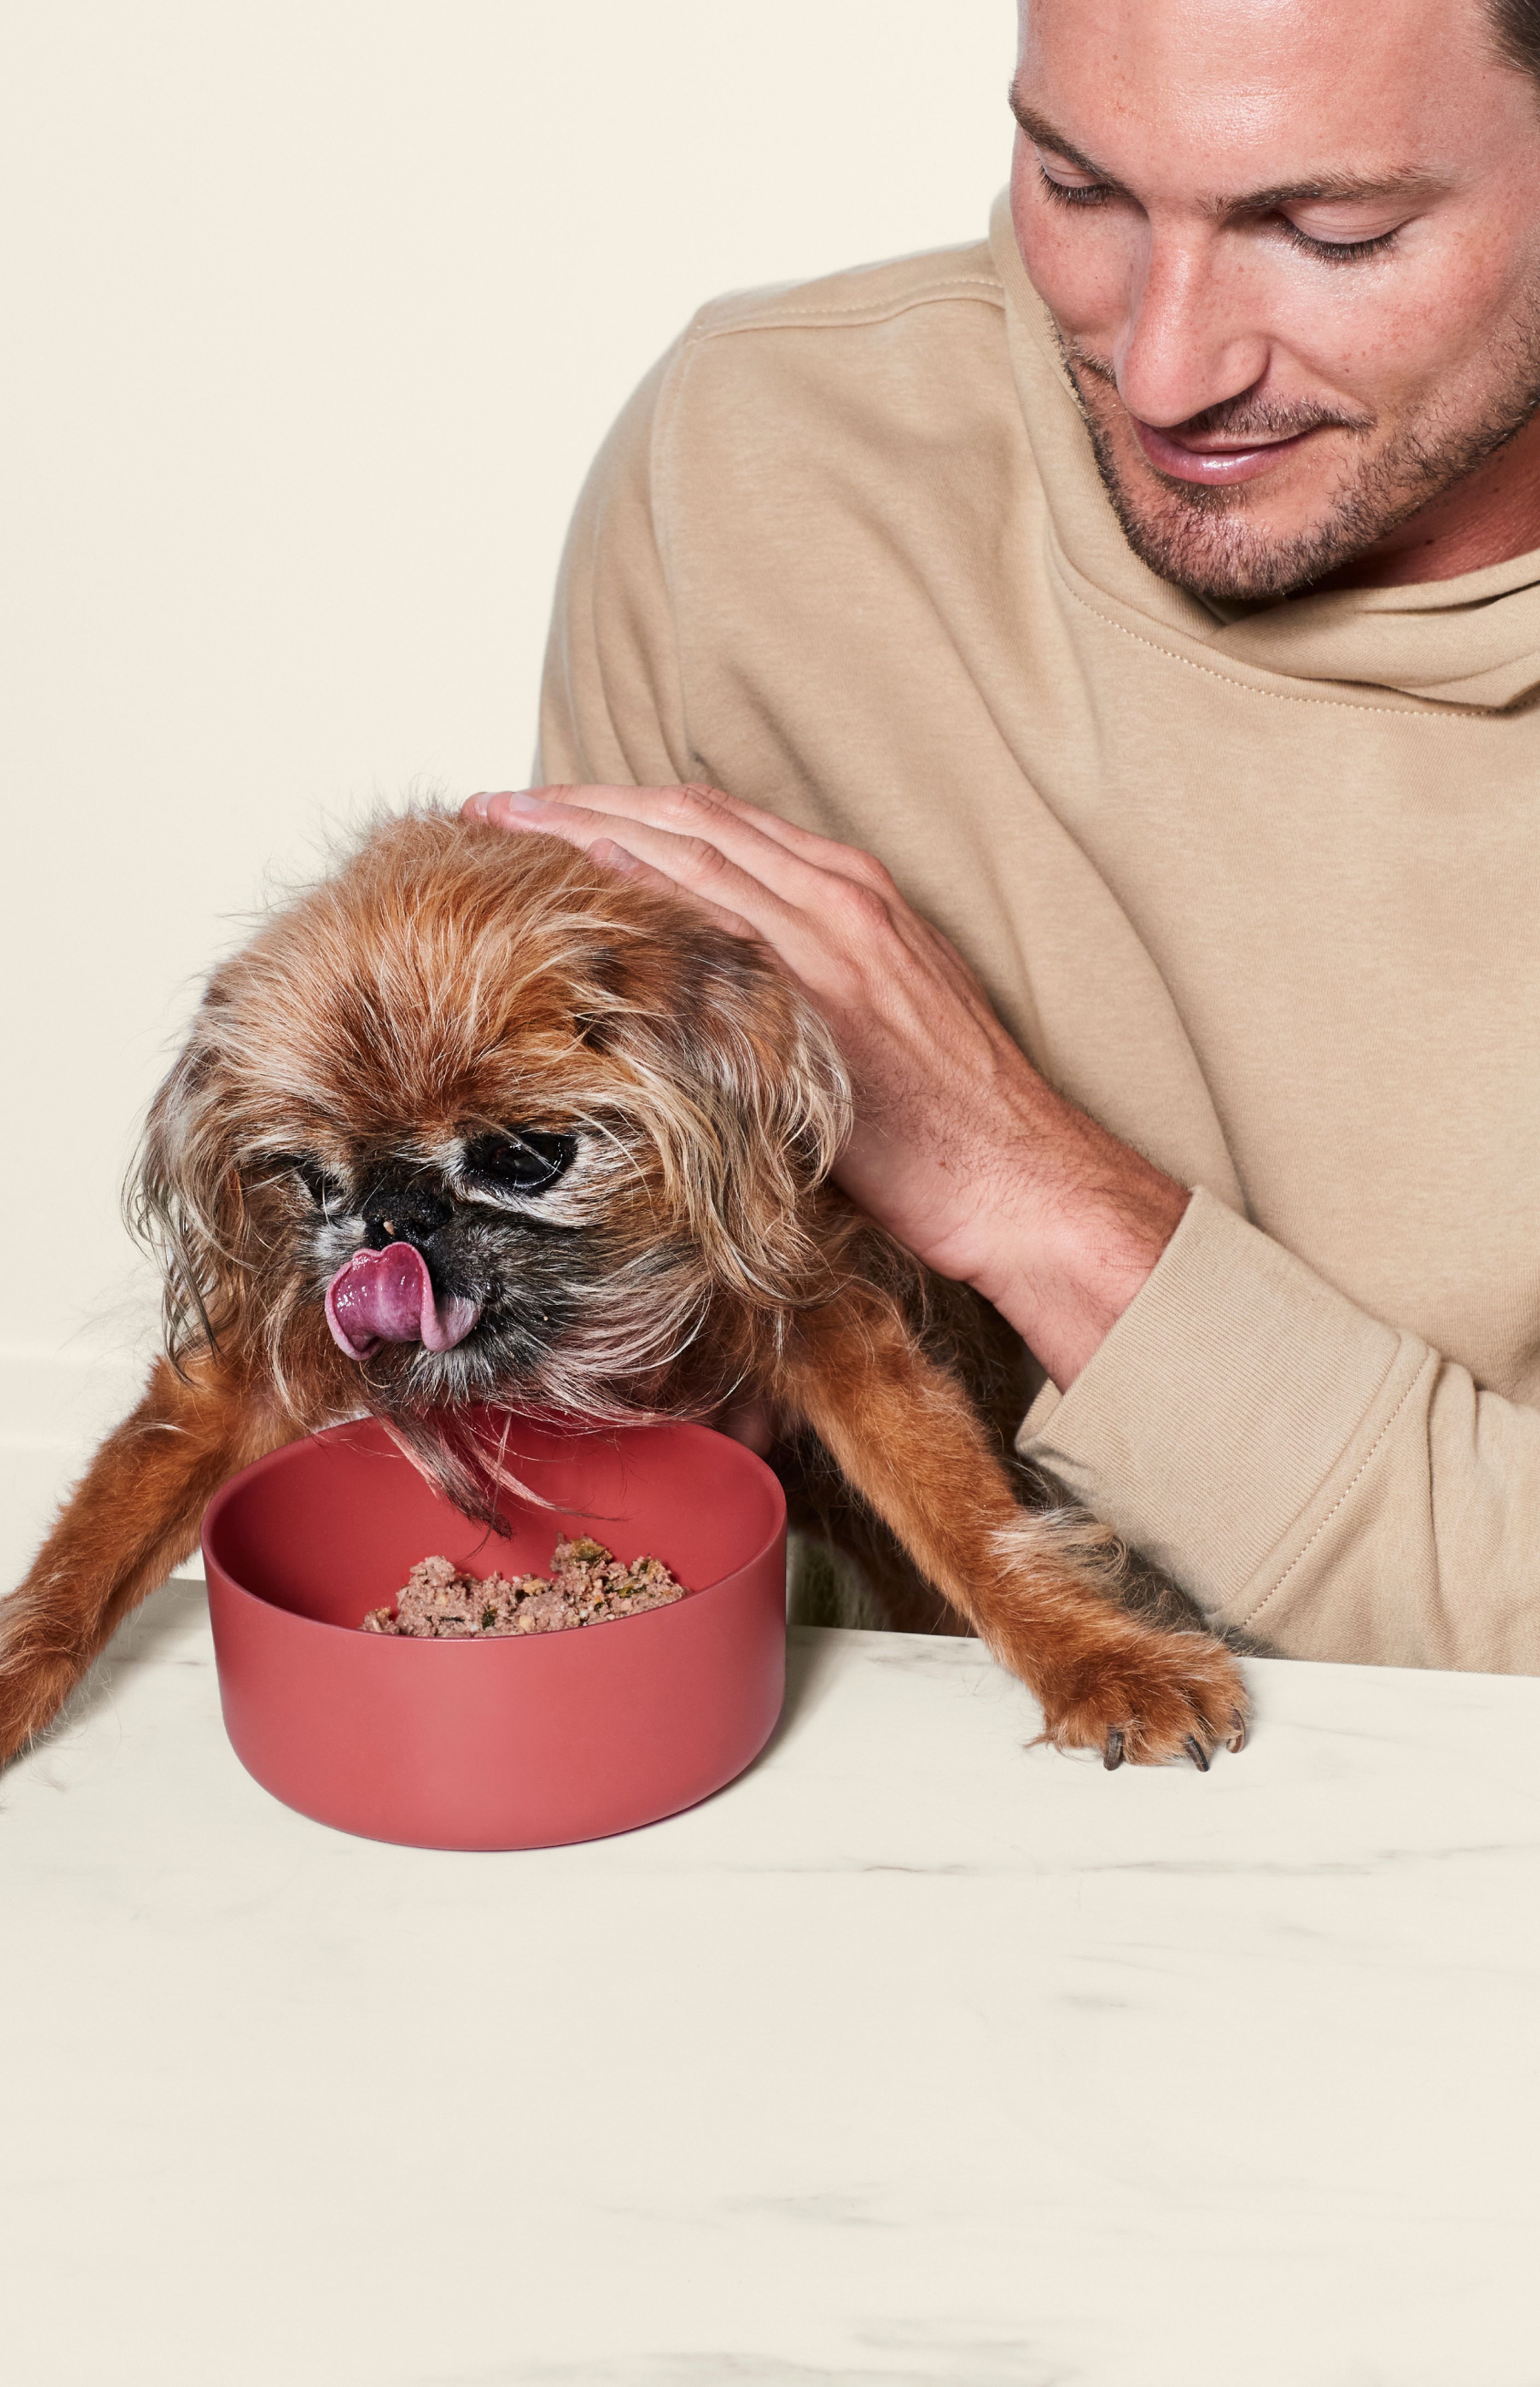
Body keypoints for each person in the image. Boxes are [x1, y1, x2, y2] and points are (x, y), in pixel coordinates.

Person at [464, 0, 1540, 1672]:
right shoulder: (761, 463)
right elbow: (611, 1450)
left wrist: (1029, 1197)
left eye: (1331, 235)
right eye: (1079, 185)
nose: (1166, 366)